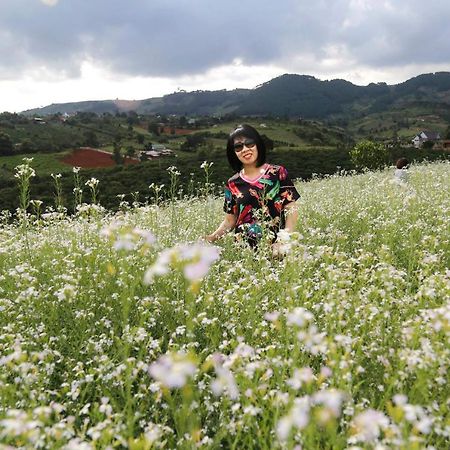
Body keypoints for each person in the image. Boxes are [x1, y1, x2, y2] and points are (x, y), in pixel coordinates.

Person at [205, 124, 300, 251]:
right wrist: (210, 238)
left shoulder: (278, 173)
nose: (245, 149)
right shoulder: (232, 183)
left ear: (258, 145)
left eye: (250, 144)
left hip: (275, 250)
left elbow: (291, 209)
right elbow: (230, 221)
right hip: (244, 252)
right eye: (238, 147)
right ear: (233, 153)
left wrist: (284, 241)